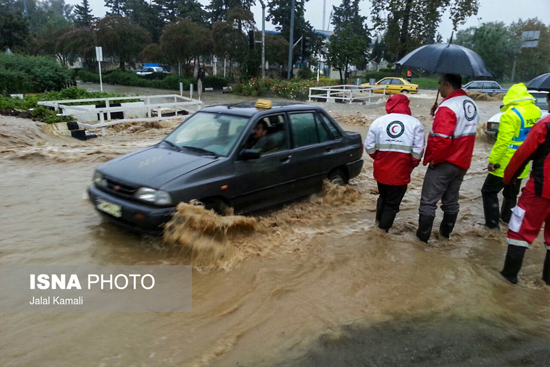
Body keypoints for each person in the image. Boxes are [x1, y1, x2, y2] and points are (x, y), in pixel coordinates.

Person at [416, 73, 479, 243]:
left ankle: (421, 242)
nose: (438, 87)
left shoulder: (448, 107)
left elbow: (441, 139)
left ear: (447, 85)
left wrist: (436, 158)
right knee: (451, 200)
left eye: (439, 84)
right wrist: (437, 112)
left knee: (428, 202)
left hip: (445, 162)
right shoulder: (471, 104)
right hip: (463, 161)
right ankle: (445, 236)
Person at [482, 84, 541, 229]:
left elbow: (503, 142)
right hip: (524, 162)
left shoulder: (510, 114)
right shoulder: (536, 111)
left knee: (488, 191)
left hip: (505, 162)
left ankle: (492, 226)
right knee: (511, 194)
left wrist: (492, 161)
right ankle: (507, 221)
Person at [500, 114, 550, 285]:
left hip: (540, 190)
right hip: (542, 188)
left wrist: (509, 178)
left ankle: (507, 280)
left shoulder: (545, 124)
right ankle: (547, 283)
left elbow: (523, 153)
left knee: (519, 231)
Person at [365, 94, 425, 232]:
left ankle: (377, 225)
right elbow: (418, 150)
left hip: (381, 169)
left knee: (383, 196)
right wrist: (412, 164)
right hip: (401, 170)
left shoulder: (378, 122)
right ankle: (382, 233)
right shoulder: (415, 124)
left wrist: (379, 158)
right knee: (392, 203)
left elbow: (369, 146)